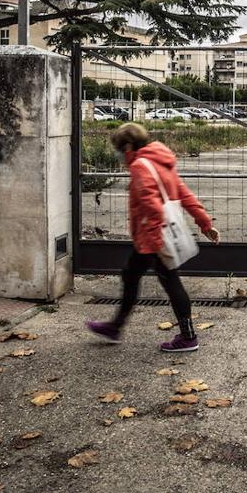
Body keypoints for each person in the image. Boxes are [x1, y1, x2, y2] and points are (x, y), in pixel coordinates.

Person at [86, 122, 219, 352]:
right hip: (153, 238)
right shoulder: (161, 161)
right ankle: (115, 326)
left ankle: (188, 337)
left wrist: (158, 243)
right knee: (131, 276)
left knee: (167, 280)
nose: (121, 156)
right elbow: (184, 194)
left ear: (128, 146)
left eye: (120, 150)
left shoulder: (140, 165)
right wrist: (205, 223)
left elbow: (151, 205)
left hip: (153, 239)